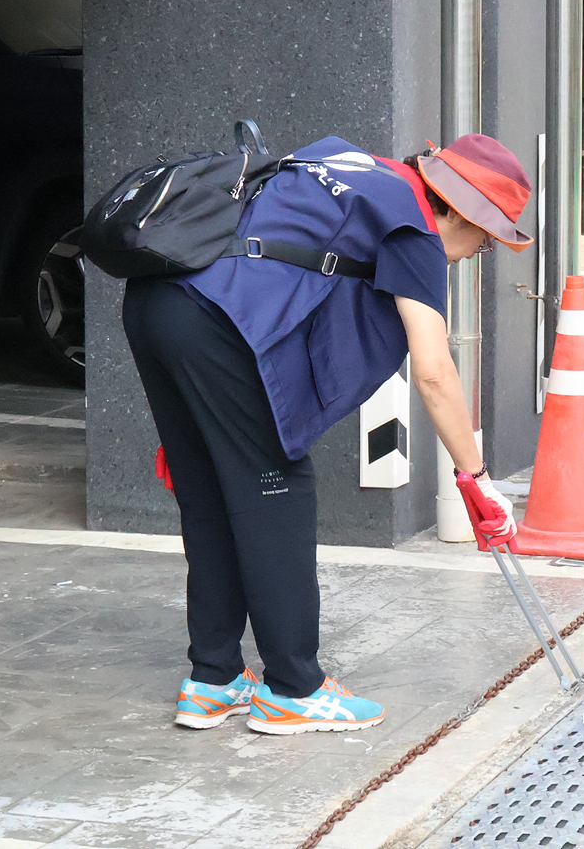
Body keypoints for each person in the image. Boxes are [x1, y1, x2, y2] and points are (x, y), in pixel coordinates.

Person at [121, 134, 530, 731]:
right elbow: (435, 372)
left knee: (210, 495)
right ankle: (293, 688)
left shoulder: (351, 164)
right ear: (458, 210)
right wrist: (476, 478)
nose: (478, 252)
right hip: (213, 327)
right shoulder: (412, 227)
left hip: (156, 302)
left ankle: (214, 679)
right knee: (278, 491)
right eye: (486, 238)